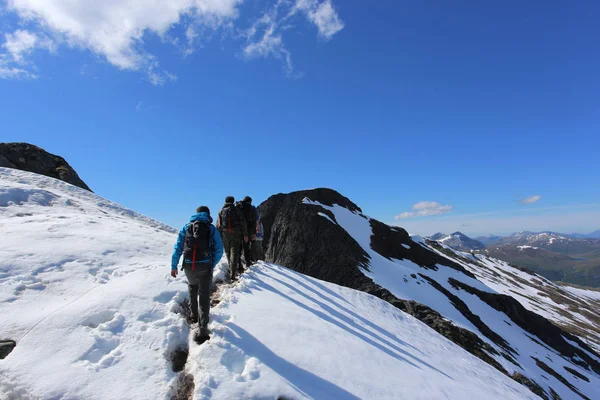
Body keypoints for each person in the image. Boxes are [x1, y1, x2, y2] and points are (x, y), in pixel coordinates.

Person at [171, 206, 223, 342]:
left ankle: (194, 314)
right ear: (208, 214)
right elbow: (219, 250)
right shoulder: (211, 229)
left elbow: (178, 248)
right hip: (205, 266)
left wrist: (173, 265)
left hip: (188, 266)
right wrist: (212, 264)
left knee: (192, 286)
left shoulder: (186, 228)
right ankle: (202, 328)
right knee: (204, 295)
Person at [216, 196, 248, 281]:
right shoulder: (237, 210)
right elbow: (243, 223)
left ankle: (231, 269)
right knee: (234, 251)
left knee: (227, 251)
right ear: (233, 202)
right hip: (236, 233)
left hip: (225, 233)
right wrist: (245, 234)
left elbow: (218, 225)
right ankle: (233, 273)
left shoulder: (221, 211)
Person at [236, 196, 260, 270]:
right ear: (250, 201)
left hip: (239, 229)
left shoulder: (238, 207)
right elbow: (256, 219)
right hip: (249, 229)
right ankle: (247, 262)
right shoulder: (252, 208)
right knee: (246, 246)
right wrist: (256, 228)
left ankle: (238, 264)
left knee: (239, 247)